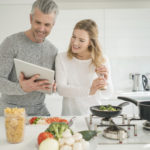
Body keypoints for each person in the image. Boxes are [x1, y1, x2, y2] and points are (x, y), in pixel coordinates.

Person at [0, 0, 59, 116]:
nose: (42, 29)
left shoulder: (52, 51)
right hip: (9, 111)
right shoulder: (11, 43)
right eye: (38, 22)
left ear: (53, 24)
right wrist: (21, 87)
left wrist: (52, 87)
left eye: (47, 25)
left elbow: (51, 86)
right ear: (31, 19)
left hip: (39, 111)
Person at [56, 19, 113, 116]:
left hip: (94, 116)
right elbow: (61, 89)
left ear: (90, 42)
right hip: (70, 117)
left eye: (81, 40)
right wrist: (89, 90)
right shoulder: (62, 58)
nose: (75, 43)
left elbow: (107, 94)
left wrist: (105, 82)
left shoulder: (102, 59)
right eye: (73, 37)